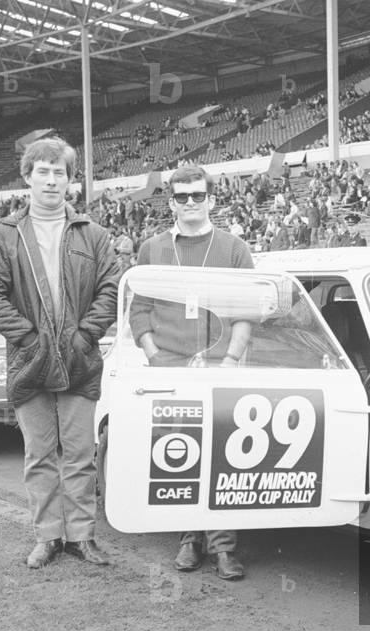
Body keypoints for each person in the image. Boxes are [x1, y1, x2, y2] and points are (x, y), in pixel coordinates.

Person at [0, 137, 120, 569]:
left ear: (70, 181)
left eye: (60, 172)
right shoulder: (5, 236)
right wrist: (32, 339)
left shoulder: (93, 234)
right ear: (27, 177)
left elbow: (110, 293)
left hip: (80, 361)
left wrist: (82, 337)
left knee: (79, 455)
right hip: (29, 363)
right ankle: (48, 536)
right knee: (39, 455)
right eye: (43, 171)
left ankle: (81, 536)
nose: (52, 180)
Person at [129, 165, 250, 581]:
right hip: (171, 367)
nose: (190, 203)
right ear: (171, 203)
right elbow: (138, 310)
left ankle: (223, 548)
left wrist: (231, 361)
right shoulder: (153, 248)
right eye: (181, 197)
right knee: (179, 453)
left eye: (197, 195)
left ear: (211, 199)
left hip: (221, 366)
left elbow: (246, 313)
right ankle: (188, 538)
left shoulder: (234, 249)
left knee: (223, 454)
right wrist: (155, 356)